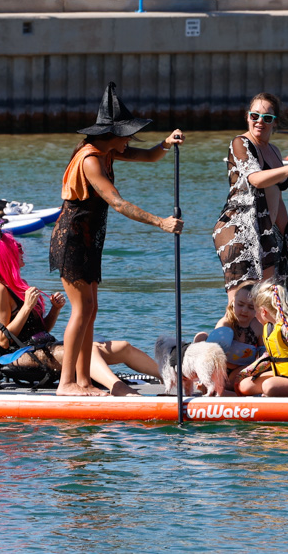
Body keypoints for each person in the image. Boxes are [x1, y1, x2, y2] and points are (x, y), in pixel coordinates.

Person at [48, 82, 184, 396]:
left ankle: (84, 381)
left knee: (91, 309)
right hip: (72, 241)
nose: (129, 141)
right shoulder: (90, 159)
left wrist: (166, 143)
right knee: (81, 310)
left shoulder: (109, 151)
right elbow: (118, 203)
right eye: (127, 135)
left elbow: (150, 156)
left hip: (89, 240)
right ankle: (66, 384)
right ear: (112, 134)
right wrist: (160, 222)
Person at [0, 230, 160, 395]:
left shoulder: (17, 285)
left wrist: (55, 309)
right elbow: (3, 340)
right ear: (4, 255)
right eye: (16, 248)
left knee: (123, 347)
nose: (21, 250)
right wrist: (26, 307)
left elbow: (41, 330)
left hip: (40, 349)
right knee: (84, 349)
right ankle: (117, 387)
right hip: (18, 356)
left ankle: (170, 377)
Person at [212, 92, 288, 305]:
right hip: (239, 231)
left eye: (267, 118)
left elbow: (278, 200)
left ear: (274, 122)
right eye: (255, 116)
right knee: (241, 307)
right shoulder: (240, 143)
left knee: (267, 305)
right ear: (247, 117)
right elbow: (256, 179)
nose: (260, 121)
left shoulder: (274, 152)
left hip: (266, 233)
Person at [192, 280, 264, 387]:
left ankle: (221, 387)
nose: (244, 310)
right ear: (233, 302)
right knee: (202, 337)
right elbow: (212, 355)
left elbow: (263, 354)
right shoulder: (226, 323)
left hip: (243, 368)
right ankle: (205, 380)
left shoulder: (258, 326)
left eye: (251, 307)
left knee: (233, 382)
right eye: (240, 305)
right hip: (219, 367)